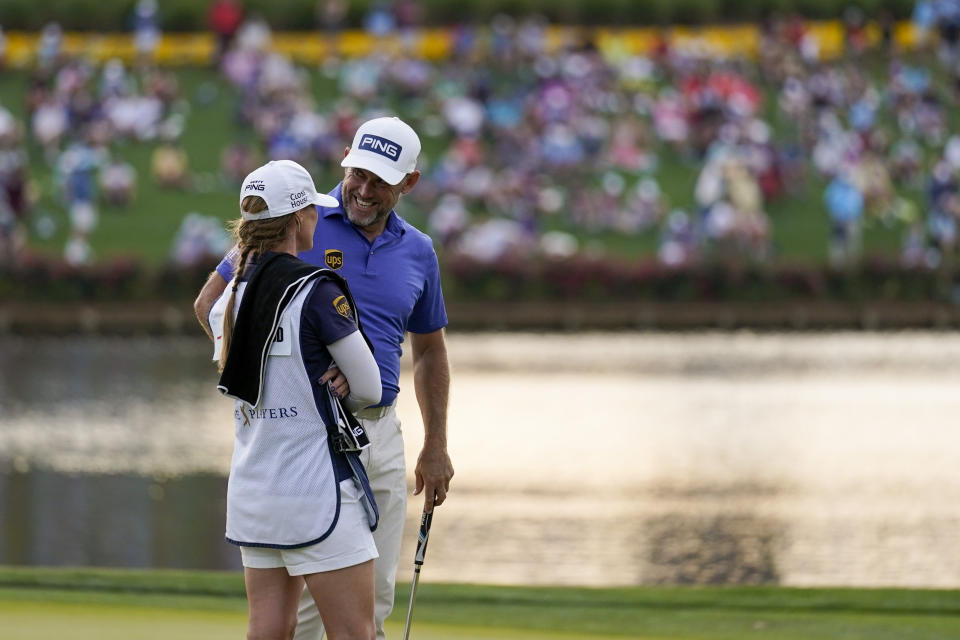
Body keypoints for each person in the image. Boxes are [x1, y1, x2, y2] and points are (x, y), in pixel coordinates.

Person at [195, 116, 454, 640]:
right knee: (317, 618)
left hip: (380, 435)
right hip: (311, 439)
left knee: (371, 602)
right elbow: (212, 306)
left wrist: (436, 446)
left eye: (380, 181)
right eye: (357, 173)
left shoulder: (418, 250)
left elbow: (429, 352)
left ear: (410, 183)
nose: (362, 189)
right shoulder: (298, 216)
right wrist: (281, 371)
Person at [211, 158, 382, 640]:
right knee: (355, 633)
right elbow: (369, 389)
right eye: (313, 211)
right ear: (300, 217)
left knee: (268, 631)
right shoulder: (315, 290)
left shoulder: (230, 297)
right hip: (316, 491)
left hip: (253, 490)